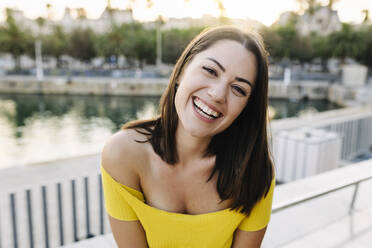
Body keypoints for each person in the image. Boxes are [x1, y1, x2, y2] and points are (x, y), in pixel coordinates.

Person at [101, 25, 275, 248]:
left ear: (246, 108)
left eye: (238, 89)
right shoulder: (123, 154)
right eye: (211, 71)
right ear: (182, 70)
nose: (217, 94)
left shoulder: (255, 169)